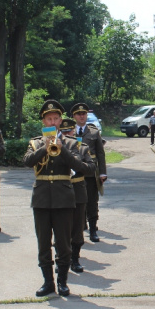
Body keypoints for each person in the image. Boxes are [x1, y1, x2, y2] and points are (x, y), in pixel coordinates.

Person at [24, 100, 95, 297]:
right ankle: (48, 282)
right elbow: (27, 161)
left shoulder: (72, 143)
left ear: (60, 120)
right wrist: (43, 148)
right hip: (41, 199)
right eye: (49, 119)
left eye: (56, 118)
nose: (53, 122)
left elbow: (85, 167)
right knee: (43, 242)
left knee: (64, 243)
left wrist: (61, 148)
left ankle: (62, 281)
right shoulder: (35, 142)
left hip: (64, 198)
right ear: (43, 121)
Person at [60, 117, 96, 274]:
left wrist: (77, 165)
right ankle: (60, 259)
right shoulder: (56, 148)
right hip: (61, 191)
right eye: (65, 131)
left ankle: (75, 259)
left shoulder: (83, 148)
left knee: (77, 228)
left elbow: (91, 167)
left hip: (79, 190)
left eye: (70, 131)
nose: (68, 134)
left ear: (74, 131)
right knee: (61, 228)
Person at [71, 102, 107, 242]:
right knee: (77, 202)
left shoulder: (93, 132)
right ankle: (78, 229)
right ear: (74, 116)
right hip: (75, 172)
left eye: (84, 114)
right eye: (79, 114)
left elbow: (100, 153)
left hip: (91, 172)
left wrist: (102, 172)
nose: (82, 116)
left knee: (92, 202)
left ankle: (93, 230)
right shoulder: (69, 132)